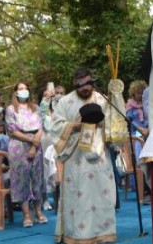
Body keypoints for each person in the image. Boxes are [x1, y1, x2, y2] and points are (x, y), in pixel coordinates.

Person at [47, 67, 117, 243]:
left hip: (100, 156)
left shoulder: (102, 99)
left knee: (102, 195)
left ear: (92, 81)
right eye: (81, 85)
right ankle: (78, 235)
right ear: (75, 84)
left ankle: (103, 233)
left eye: (88, 84)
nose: (85, 88)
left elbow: (114, 123)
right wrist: (77, 126)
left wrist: (107, 130)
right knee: (80, 196)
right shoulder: (65, 102)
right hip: (76, 158)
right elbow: (54, 127)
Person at [4, 81, 48, 228]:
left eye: (26, 89)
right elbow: (12, 130)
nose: (23, 91)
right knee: (21, 179)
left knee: (37, 178)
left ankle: (38, 211)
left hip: (36, 143)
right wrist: (31, 140)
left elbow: (41, 126)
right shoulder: (11, 109)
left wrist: (35, 144)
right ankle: (26, 215)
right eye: (20, 89)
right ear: (15, 92)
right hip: (18, 145)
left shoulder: (35, 108)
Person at [39, 83, 65, 211]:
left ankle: (59, 200)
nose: (57, 95)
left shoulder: (61, 110)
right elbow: (42, 111)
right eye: (55, 93)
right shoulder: (44, 111)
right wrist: (46, 99)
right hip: (46, 141)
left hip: (59, 143)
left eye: (61, 93)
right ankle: (44, 199)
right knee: (45, 171)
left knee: (57, 171)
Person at [125, 79, 152, 204]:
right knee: (141, 160)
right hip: (137, 135)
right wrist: (141, 129)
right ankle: (144, 191)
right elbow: (130, 122)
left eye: (142, 92)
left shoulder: (148, 104)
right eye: (138, 93)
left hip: (148, 132)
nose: (140, 95)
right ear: (133, 94)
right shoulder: (130, 105)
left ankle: (151, 189)